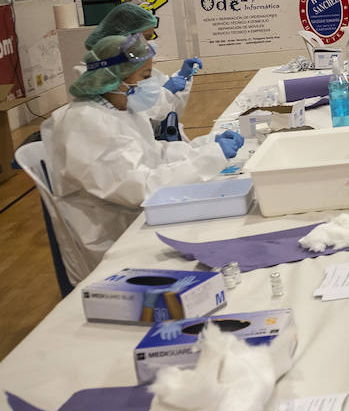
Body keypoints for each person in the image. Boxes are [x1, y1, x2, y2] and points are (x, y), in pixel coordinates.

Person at [42, 33, 242, 282]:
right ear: (114, 77)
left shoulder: (121, 107)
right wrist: (207, 160)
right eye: (146, 77)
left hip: (135, 215)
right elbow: (141, 189)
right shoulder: (85, 122)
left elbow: (155, 153)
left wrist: (206, 146)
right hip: (112, 235)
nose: (152, 85)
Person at [85, 2, 202, 140]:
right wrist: (166, 92)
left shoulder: (136, 69)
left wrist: (183, 78)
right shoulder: (107, 82)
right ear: (124, 37)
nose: (149, 44)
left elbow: (168, 110)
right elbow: (141, 114)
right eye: (146, 37)